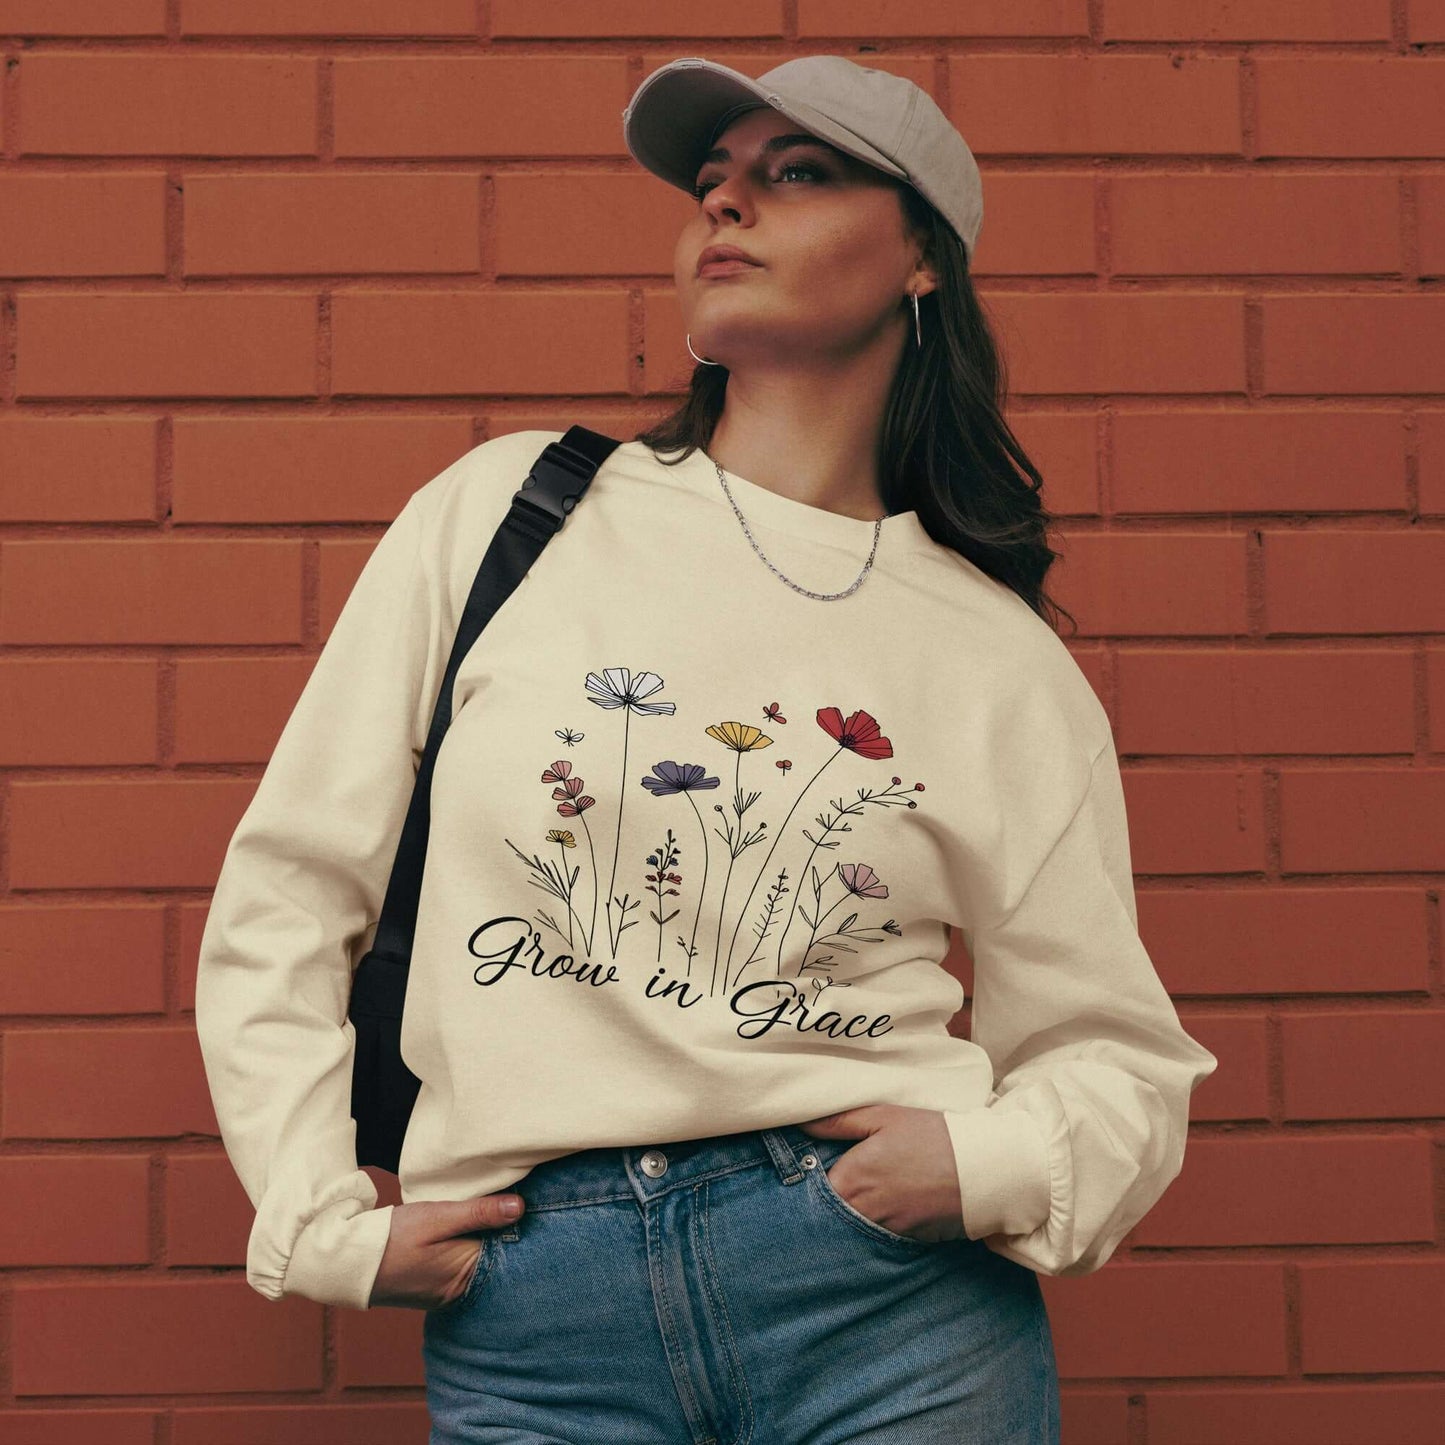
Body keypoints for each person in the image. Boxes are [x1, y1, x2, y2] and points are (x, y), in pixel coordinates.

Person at [194, 54, 1218, 1444]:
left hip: (883, 1308)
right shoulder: (510, 515)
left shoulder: (994, 656)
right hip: (534, 1315)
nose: (726, 201)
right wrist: (319, 1223)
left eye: (795, 173)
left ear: (922, 253)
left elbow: (1113, 1050)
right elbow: (289, 890)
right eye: (710, 182)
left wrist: (976, 1162)